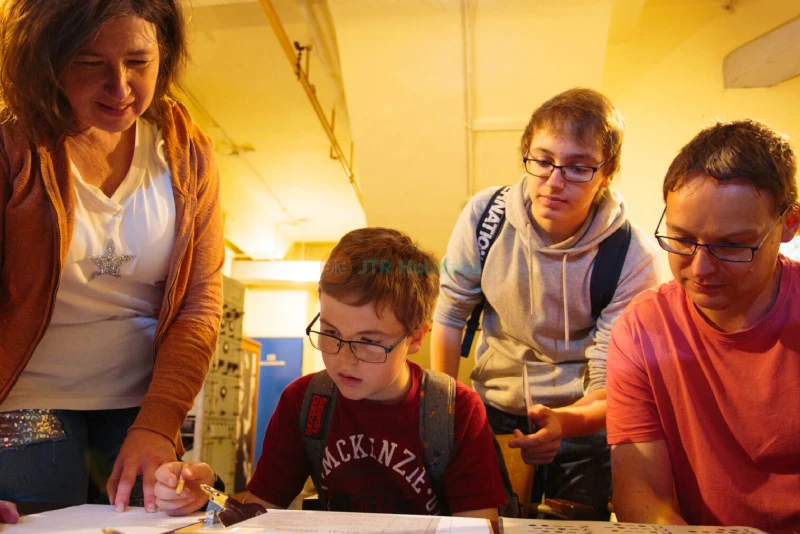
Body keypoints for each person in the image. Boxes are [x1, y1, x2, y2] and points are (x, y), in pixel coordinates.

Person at [0, 0, 223, 517]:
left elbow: (199, 301)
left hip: (142, 408)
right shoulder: (13, 145)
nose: (120, 87)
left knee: (173, 517)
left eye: (139, 62)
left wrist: (159, 421)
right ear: (47, 60)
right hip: (22, 403)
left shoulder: (188, 153)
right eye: (89, 62)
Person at [154, 228, 507, 518]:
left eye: (369, 341)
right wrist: (205, 494)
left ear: (415, 338)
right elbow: (259, 514)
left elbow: (477, 527)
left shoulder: (454, 410)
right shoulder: (304, 402)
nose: (342, 359)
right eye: (331, 333)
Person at [431, 88, 660, 518]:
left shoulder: (633, 256)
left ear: (606, 174)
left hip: (583, 423)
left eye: (578, 167)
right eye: (543, 160)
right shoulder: (485, 217)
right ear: (527, 154)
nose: (554, 181)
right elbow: (450, 313)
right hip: (491, 409)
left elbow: (609, 374)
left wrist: (567, 423)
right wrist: (441, 410)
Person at [607, 119, 800, 528]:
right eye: (681, 239)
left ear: (788, 224)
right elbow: (641, 498)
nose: (700, 268)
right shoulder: (643, 329)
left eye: (731, 245)